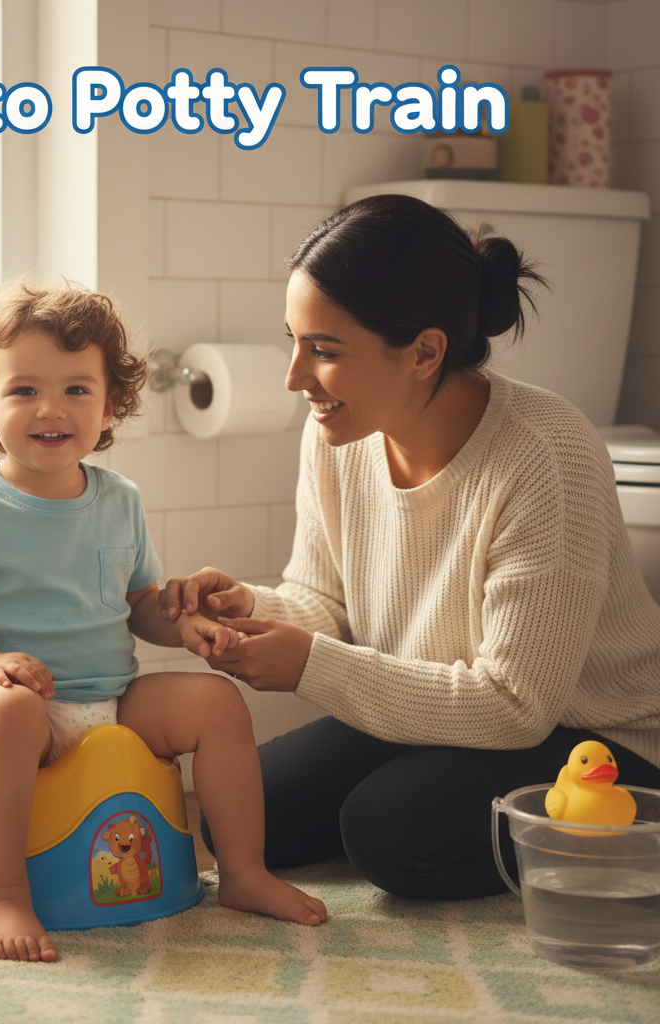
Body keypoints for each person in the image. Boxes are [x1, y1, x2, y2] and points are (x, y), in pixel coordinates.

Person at [158, 193, 660, 901]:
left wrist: (308, 665)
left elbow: (518, 705)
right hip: (443, 709)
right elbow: (324, 600)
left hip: (596, 738)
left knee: (389, 836)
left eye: (324, 351)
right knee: (233, 808)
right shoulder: (340, 432)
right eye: (295, 341)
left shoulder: (546, 456)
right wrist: (250, 608)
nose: (295, 377)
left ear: (425, 351)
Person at [0, 280, 328, 963]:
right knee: (11, 713)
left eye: (77, 389)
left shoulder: (118, 500)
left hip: (109, 698)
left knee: (216, 702)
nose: (51, 408)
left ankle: (244, 872)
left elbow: (138, 605)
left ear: (112, 405)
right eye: (24, 391)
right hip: (3, 711)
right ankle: (5, 894)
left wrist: (182, 625)